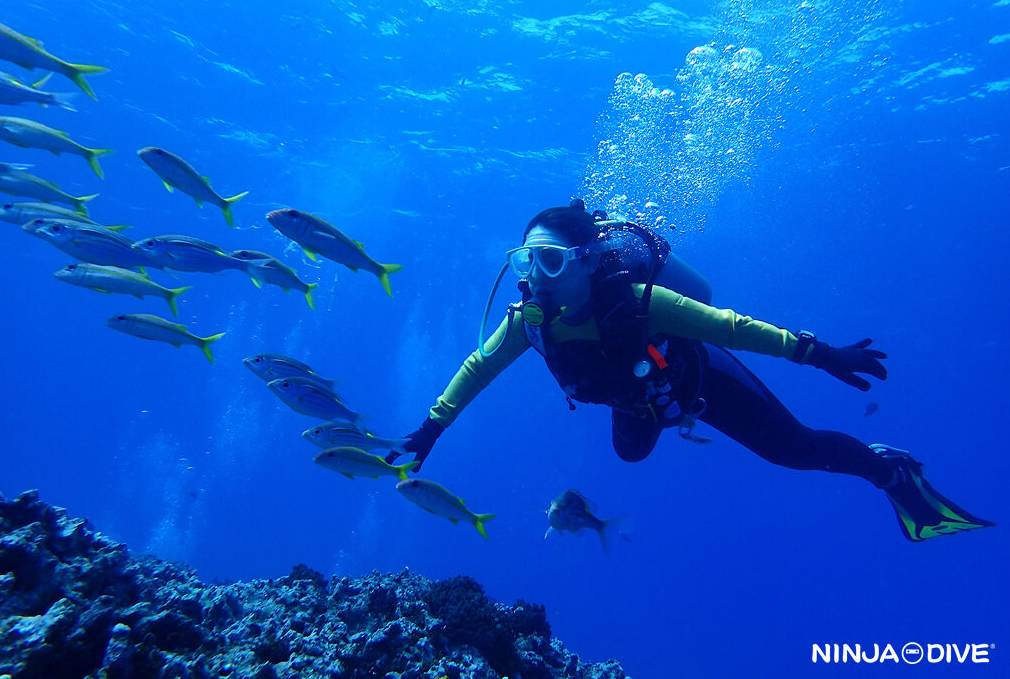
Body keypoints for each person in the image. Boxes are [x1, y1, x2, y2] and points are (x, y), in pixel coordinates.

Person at [387, 200, 993, 542]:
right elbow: (479, 365)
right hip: (636, 402)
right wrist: (433, 426)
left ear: (586, 259)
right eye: (525, 260)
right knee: (630, 456)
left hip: (701, 383)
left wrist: (820, 352)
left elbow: (731, 326)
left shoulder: (641, 303)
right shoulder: (530, 322)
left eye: (548, 260)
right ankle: (652, 410)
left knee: (795, 451)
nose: (534, 277)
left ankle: (886, 471)